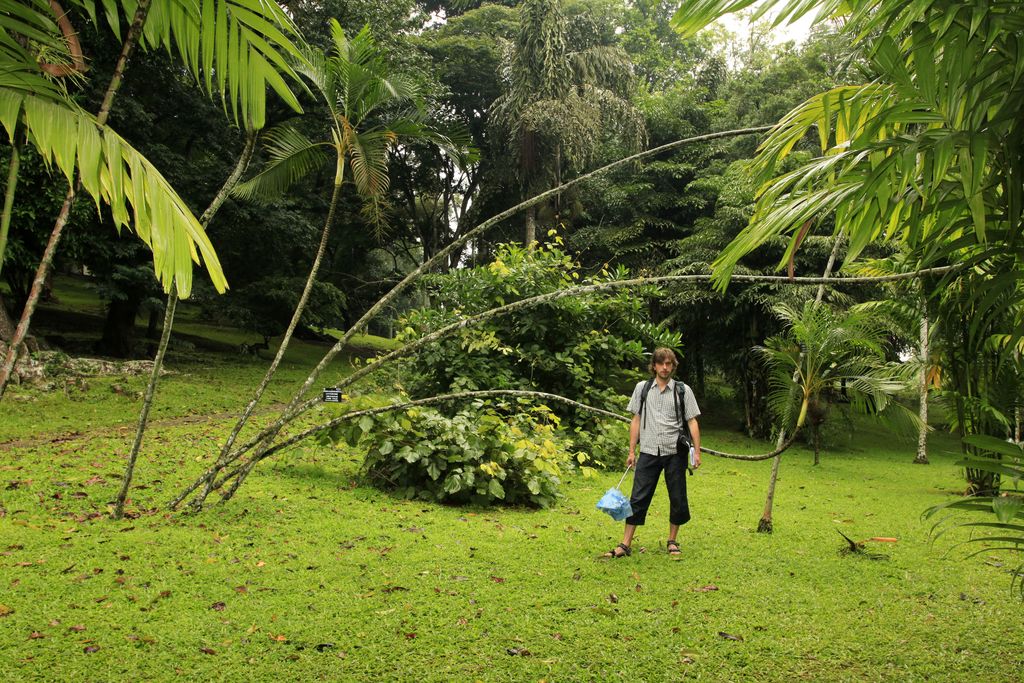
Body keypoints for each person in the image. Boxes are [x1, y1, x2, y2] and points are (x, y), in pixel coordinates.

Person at [604, 347, 701, 558]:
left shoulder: (683, 390)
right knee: (638, 497)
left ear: (673, 366)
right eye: (661, 363)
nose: (665, 368)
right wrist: (631, 450)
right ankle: (625, 544)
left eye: (669, 364)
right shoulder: (643, 388)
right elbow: (636, 420)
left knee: (677, 497)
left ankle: (672, 540)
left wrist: (697, 452)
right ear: (654, 366)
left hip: (675, 451)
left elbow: (692, 421)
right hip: (648, 450)